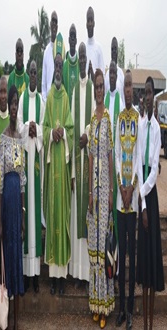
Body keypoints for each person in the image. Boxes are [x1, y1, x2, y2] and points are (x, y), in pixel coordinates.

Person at [43, 53, 74, 295]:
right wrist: (49, 134)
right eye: (56, 65)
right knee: (52, 217)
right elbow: (43, 127)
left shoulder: (65, 99)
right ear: (52, 68)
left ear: (63, 70)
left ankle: (62, 277)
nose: (57, 70)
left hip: (61, 170)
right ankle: (52, 278)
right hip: (52, 166)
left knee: (61, 217)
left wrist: (62, 133)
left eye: (60, 66)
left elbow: (72, 129)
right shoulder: (49, 98)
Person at [0, 85, 26, 330]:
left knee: (17, 256)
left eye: (16, 103)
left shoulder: (20, 140)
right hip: (6, 203)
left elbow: (24, 178)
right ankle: (5, 318)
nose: (14, 107)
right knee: (7, 254)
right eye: (12, 103)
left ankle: (17, 320)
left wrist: (24, 216)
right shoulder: (3, 138)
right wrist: (0, 219)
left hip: (18, 204)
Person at [137, 76, 164, 330]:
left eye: (148, 93)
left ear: (153, 97)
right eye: (143, 93)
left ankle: (150, 323)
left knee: (153, 259)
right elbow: (137, 161)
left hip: (151, 196)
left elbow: (154, 169)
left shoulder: (155, 128)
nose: (146, 97)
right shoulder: (140, 123)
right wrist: (141, 205)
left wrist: (145, 199)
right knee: (143, 263)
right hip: (142, 201)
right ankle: (142, 319)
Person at [87, 68, 114, 329]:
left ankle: (105, 306)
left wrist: (109, 193)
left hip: (105, 189)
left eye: (100, 86)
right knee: (94, 251)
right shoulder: (92, 121)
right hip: (94, 193)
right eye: (95, 87)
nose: (97, 90)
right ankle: (94, 303)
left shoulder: (107, 119)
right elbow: (91, 157)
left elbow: (108, 156)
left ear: (104, 89)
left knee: (104, 251)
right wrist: (90, 194)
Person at [17, 60, 45, 293]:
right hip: (26, 164)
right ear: (28, 74)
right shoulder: (24, 98)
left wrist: (39, 130)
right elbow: (17, 126)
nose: (34, 75)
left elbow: (44, 126)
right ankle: (27, 275)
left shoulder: (42, 101)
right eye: (32, 72)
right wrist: (29, 127)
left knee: (35, 217)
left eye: (37, 73)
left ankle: (36, 275)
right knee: (28, 217)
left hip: (35, 164)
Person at [115, 70, 139, 330]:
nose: (129, 90)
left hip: (133, 201)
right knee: (122, 257)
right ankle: (121, 308)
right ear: (123, 90)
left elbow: (138, 157)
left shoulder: (138, 119)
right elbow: (118, 152)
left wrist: (132, 187)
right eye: (127, 86)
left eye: (132, 86)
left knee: (132, 256)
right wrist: (122, 187)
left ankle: (131, 309)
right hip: (122, 199)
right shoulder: (121, 118)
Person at [69, 42, 94, 289]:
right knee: (78, 220)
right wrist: (74, 173)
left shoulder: (93, 93)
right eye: (81, 56)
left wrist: (88, 134)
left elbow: (92, 126)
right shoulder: (76, 90)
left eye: (86, 56)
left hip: (92, 167)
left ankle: (88, 275)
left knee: (89, 221)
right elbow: (73, 130)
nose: (84, 59)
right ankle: (77, 273)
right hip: (79, 166)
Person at [104, 60, 123, 244]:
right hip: (104, 162)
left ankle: (114, 263)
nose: (111, 75)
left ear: (117, 77)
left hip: (115, 162)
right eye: (109, 72)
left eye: (114, 73)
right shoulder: (102, 100)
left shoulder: (120, 99)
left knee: (114, 209)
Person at [42, 11, 58, 103]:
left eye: (56, 22)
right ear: (50, 25)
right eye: (53, 21)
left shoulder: (61, 50)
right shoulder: (46, 51)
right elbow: (43, 82)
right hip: (47, 102)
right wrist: (45, 101)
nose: (54, 24)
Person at [86, 6, 105, 82]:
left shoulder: (99, 48)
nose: (90, 24)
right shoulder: (83, 48)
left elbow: (102, 75)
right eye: (88, 21)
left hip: (96, 91)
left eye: (91, 21)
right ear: (86, 24)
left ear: (94, 23)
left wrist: (93, 75)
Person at [63, 24, 79, 108]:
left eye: (74, 36)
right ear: (68, 40)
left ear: (76, 40)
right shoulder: (64, 67)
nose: (72, 38)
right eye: (71, 36)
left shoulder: (80, 66)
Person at [105, 37, 125, 105]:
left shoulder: (121, 74)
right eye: (112, 49)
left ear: (118, 51)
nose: (113, 51)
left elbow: (123, 98)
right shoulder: (107, 75)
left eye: (115, 49)